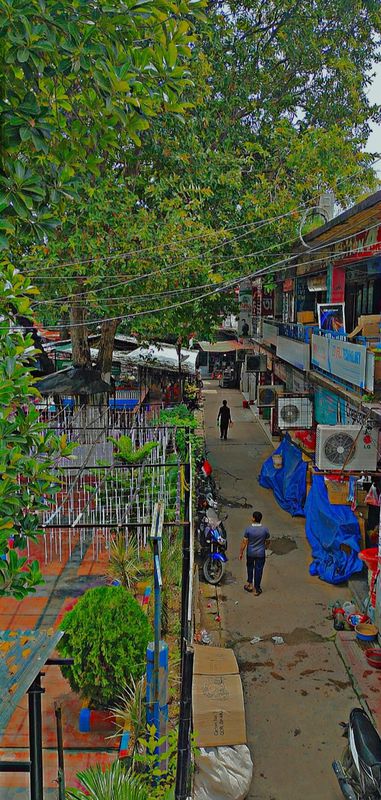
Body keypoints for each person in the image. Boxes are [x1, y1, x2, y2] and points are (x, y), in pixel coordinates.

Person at [239, 511, 270, 595]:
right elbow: (267, 541)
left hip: (250, 553)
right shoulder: (265, 529)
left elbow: (244, 542)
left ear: (253, 518)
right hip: (260, 553)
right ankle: (257, 588)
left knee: (250, 567)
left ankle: (249, 584)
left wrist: (241, 552)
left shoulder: (248, 529)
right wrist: (265, 547)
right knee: (258, 570)